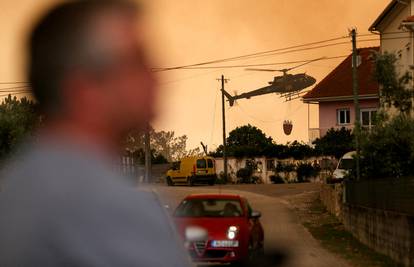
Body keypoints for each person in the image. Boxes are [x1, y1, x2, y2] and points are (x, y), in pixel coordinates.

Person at [0, 1, 191, 266]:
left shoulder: (19, 181)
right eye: (137, 61)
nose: (154, 77)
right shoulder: (107, 205)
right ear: (82, 90)